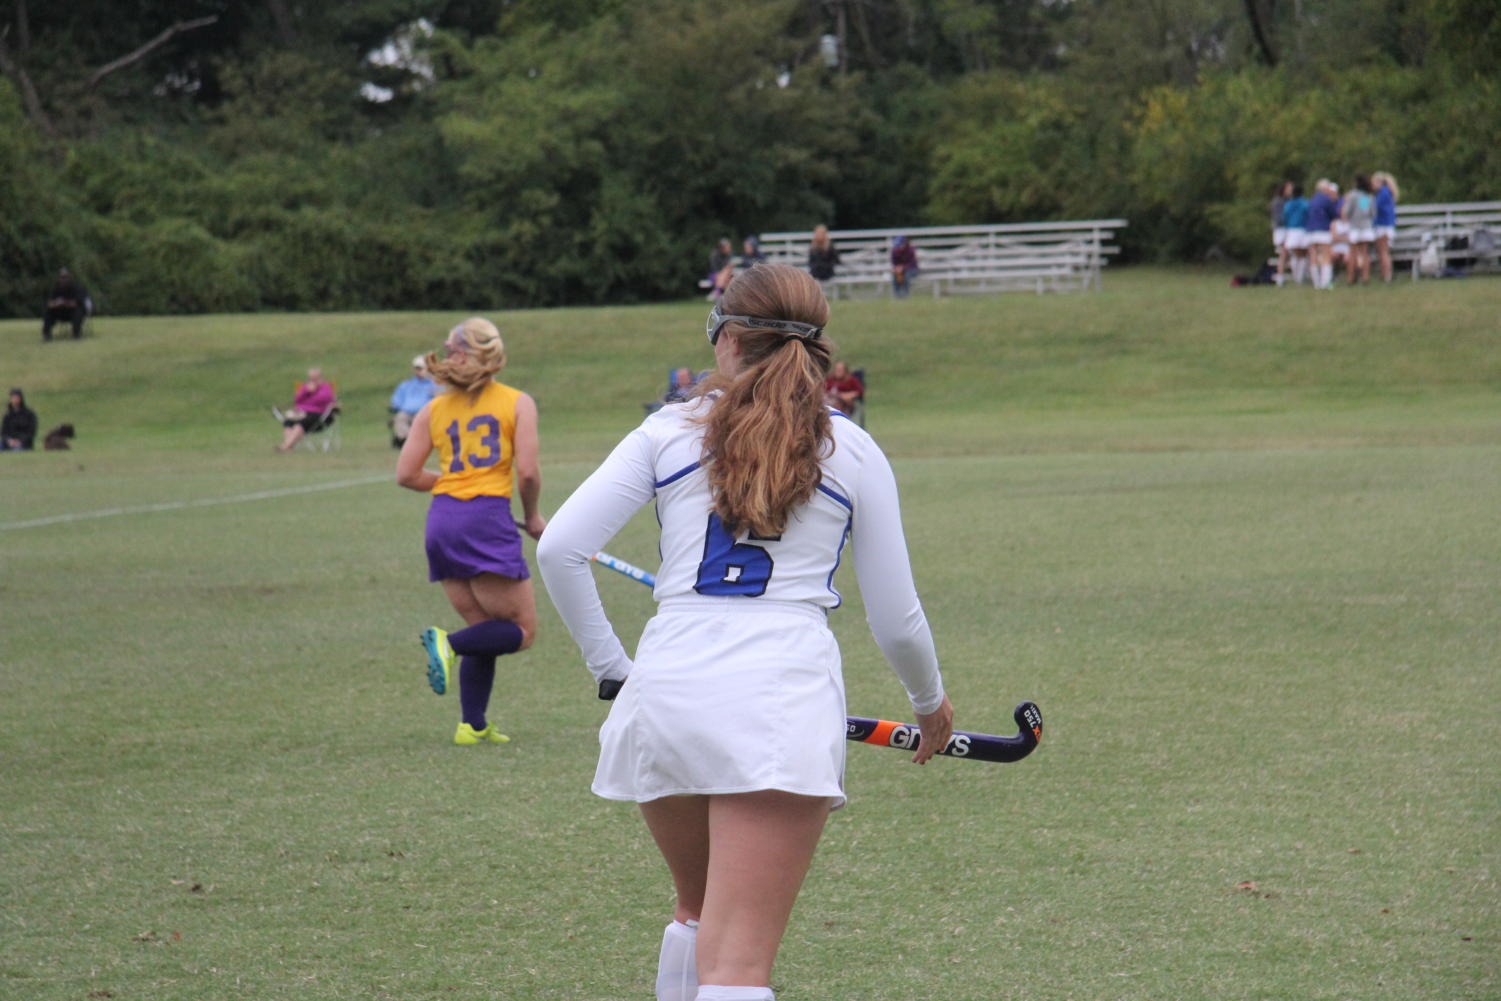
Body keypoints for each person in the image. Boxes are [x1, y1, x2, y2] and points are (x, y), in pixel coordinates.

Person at [537, 263, 954, 1001]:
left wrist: (615, 670)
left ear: (726, 340)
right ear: (820, 348)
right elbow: (896, 617)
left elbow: (559, 549)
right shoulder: (851, 449)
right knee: (736, 971)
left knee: (697, 916)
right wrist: (930, 702)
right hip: (778, 698)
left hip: (663, 692)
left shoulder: (663, 433)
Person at [398, 318, 545, 746]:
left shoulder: (432, 409)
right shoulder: (517, 402)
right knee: (521, 631)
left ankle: (472, 724)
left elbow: (406, 474)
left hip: (441, 520)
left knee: (485, 623)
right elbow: (529, 474)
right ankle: (448, 643)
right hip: (485, 519)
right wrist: (533, 517)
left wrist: (447, 485)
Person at [274, 367, 338, 452]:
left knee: (301, 423)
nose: (313, 380)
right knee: (288, 422)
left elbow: (323, 399)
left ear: (320, 377)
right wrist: (306, 391)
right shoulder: (305, 387)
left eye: (315, 378)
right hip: (300, 412)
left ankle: (285, 446)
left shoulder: (326, 387)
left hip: (317, 415)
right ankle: (289, 447)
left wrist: (313, 391)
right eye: (311, 378)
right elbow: (297, 400)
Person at [389, 355, 438, 449]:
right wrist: (396, 407)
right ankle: (408, 440)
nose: (418, 371)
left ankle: (414, 441)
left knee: (419, 420)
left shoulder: (434, 384)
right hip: (406, 412)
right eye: (416, 369)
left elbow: (439, 399)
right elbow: (396, 400)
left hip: (424, 412)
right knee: (400, 418)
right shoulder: (407, 384)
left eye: (421, 369)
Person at [1342, 174, 1377, 286]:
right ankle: (1365, 277)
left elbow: (1347, 212)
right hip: (1366, 227)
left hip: (1355, 228)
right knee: (1364, 253)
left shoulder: (1352, 196)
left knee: (1353, 253)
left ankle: (1351, 278)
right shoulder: (1366, 197)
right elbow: (1369, 213)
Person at [1305, 180, 1338, 290]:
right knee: (1326, 256)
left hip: (1310, 230)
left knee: (1313, 256)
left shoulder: (1312, 199)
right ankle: (1325, 282)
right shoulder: (1327, 200)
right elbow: (1334, 214)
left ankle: (1316, 282)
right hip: (1323, 230)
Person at [42, 269, 89, 341]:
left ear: (70, 278)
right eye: (62, 277)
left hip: (73, 312)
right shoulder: (56, 289)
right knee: (49, 311)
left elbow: (77, 303)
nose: (63, 280)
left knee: (78, 311)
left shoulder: (77, 288)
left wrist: (64, 303)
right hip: (61, 312)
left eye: (65, 277)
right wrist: (55, 304)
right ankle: (46, 334)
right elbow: (50, 303)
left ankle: (76, 333)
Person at [1373, 171, 1400, 282]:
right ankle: (1385, 274)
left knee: (1383, 251)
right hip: (1387, 225)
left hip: (1383, 225)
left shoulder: (1383, 193)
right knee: (1383, 251)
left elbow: (1373, 207)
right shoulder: (1386, 192)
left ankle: (1387, 275)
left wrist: (1364, 203)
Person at [1282, 184, 1309, 285]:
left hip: (1291, 230)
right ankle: (1299, 278)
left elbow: (1284, 216)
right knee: (1302, 254)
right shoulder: (1304, 203)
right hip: (1302, 230)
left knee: (1295, 254)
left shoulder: (1288, 204)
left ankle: (1297, 277)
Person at [1270, 181, 1292, 285]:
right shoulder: (1278, 201)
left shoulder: (1289, 201)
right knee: (1284, 253)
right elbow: (1279, 218)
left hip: (1286, 230)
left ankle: (1283, 276)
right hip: (1281, 230)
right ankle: (1280, 277)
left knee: (1286, 253)